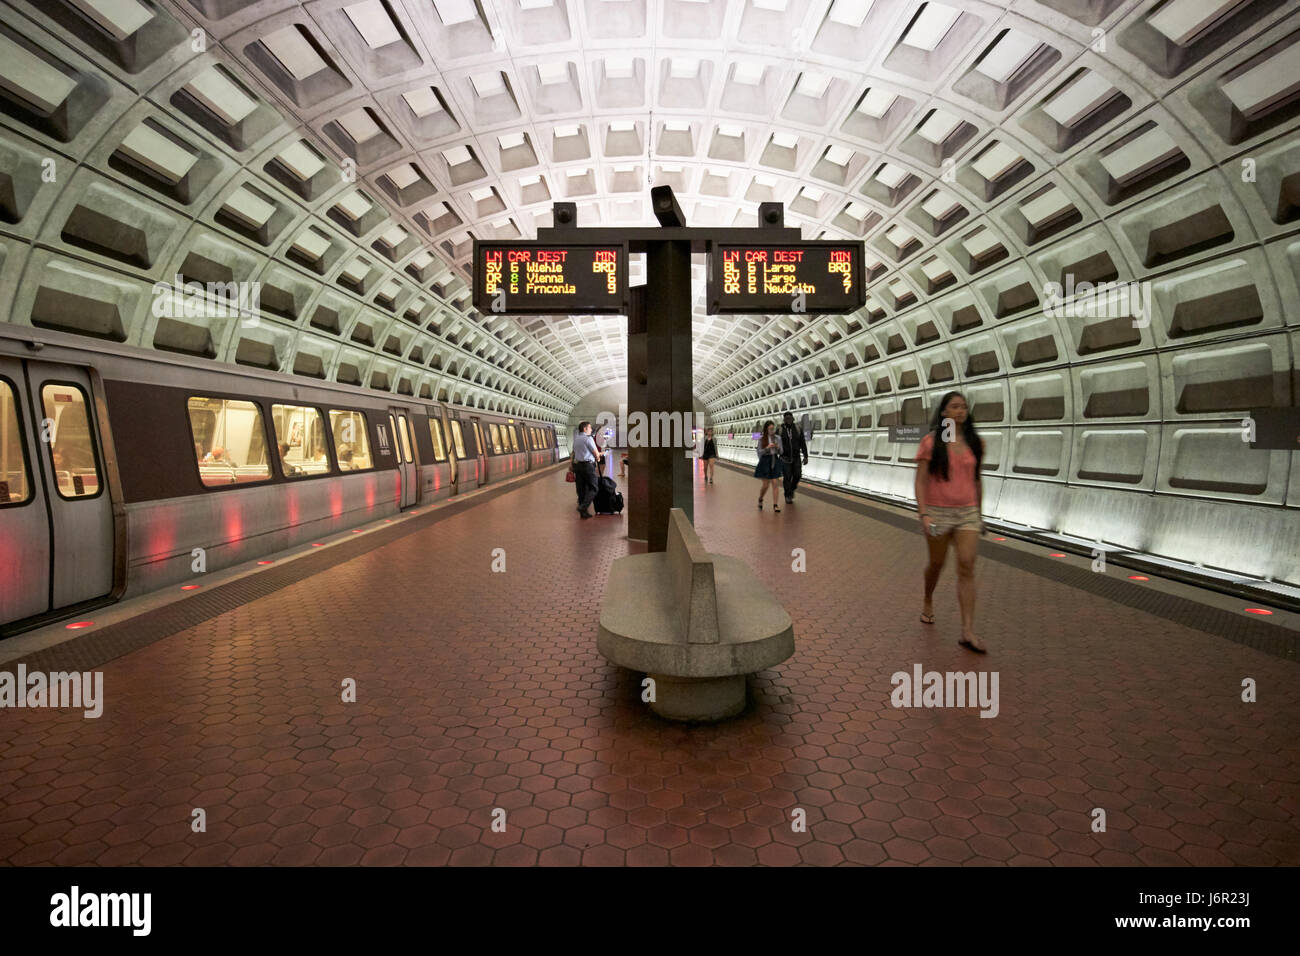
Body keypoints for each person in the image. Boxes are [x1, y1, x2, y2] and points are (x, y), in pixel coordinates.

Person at [914, 391, 986, 653]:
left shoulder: (974, 443)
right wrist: (924, 513)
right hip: (938, 512)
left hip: (967, 513)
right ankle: (928, 598)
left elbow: (977, 480)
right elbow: (921, 480)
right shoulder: (932, 442)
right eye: (954, 406)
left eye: (963, 406)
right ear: (944, 412)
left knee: (967, 564)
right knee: (936, 563)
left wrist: (980, 513)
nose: (960, 411)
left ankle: (967, 631)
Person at [570, 421, 600, 519]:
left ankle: (584, 513)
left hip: (578, 466)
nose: (591, 430)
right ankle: (583, 507)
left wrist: (571, 465)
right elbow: (595, 453)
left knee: (581, 490)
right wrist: (599, 456)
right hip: (588, 466)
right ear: (585, 429)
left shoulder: (576, 439)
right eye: (590, 428)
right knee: (594, 488)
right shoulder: (588, 439)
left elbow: (573, 453)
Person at [777, 412, 808, 503]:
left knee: (798, 475)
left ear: (793, 419)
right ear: (784, 420)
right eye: (786, 419)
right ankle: (788, 496)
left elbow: (802, 443)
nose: (788, 420)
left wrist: (805, 456)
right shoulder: (780, 429)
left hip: (796, 457)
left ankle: (791, 489)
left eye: (790, 418)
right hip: (784, 458)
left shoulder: (797, 429)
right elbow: (775, 442)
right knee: (787, 477)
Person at [753, 420, 784, 512]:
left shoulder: (778, 438)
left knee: (775, 483)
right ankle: (760, 498)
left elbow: (782, 451)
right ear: (766, 429)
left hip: (774, 459)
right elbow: (759, 452)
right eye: (770, 429)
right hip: (765, 461)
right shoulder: (762, 439)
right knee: (766, 485)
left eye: (773, 428)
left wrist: (778, 448)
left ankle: (775, 505)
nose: (772, 430)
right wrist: (767, 448)